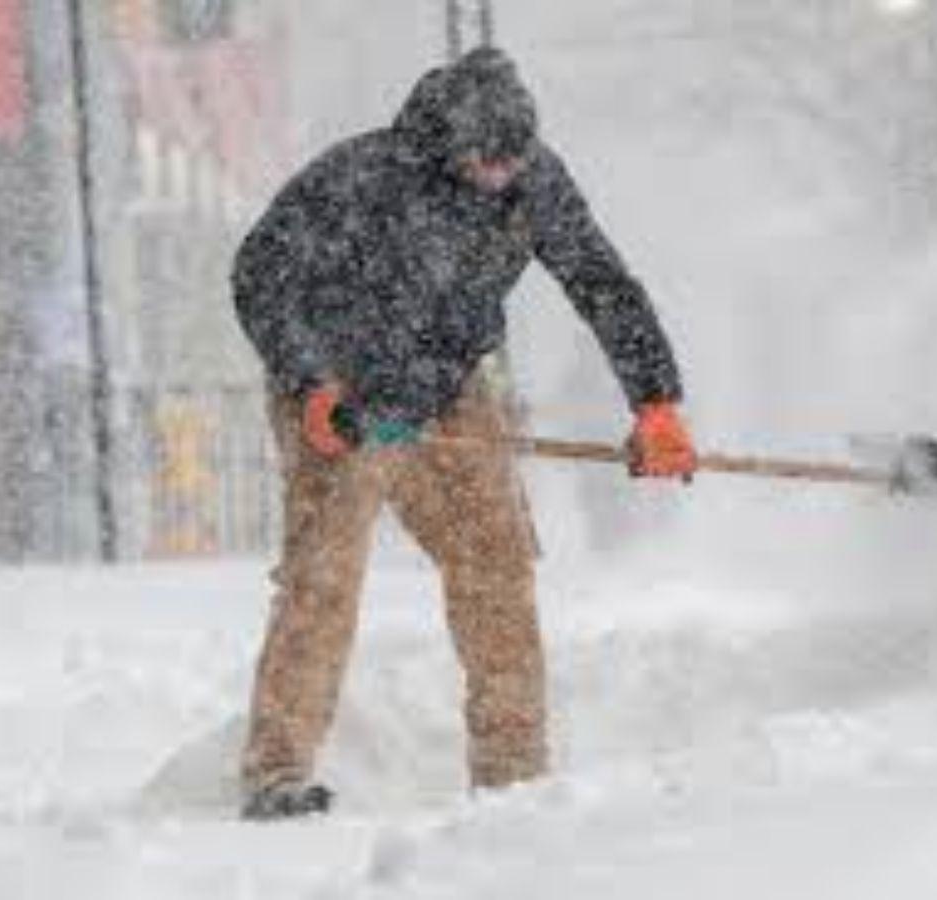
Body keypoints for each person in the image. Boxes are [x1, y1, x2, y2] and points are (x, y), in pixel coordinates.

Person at [231, 46, 697, 820]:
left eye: (510, 162)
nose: (498, 176)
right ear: (450, 143)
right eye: (485, 162)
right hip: (343, 399)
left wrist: (655, 401)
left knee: (499, 565)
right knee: (324, 576)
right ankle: (276, 772)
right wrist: (312, 382)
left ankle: (514, 773)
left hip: (451, 389)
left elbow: (601, 284)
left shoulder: (534, 180)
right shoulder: (363, 176)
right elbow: (260, 274)